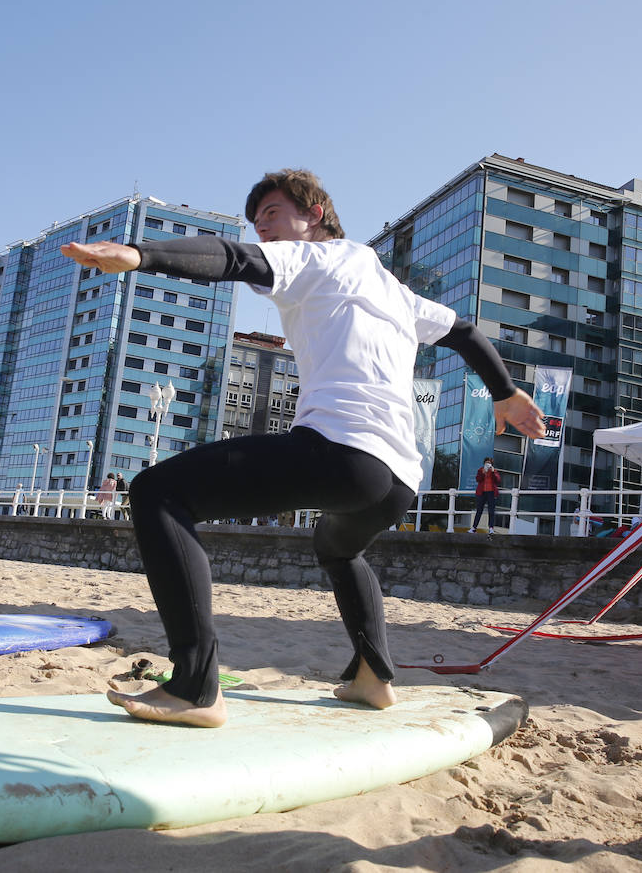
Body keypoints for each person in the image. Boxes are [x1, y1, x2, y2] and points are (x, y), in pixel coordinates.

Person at [61, 168, 546, 727]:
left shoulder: (319, 257)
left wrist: (141, 254)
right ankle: (373, 677)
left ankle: (195, 686)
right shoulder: (390, 286)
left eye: (270, 214)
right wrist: (505, 393)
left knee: (156, 494)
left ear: (314, 214)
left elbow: (232, 258)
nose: (262, 229)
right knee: (338, 547)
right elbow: (464, 331)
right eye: (257, 221)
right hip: (395, 481)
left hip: (342, 452)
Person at [473, 457, 501, 534]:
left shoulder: (494, 471)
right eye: (486, 462)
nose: (487, 464)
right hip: (482, 493)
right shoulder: (480, 470)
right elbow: (478, 479)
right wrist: (483, 472)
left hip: (491, 493)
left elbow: (498, 480)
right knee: (479, 511)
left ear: (491, 464)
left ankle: (491, 528)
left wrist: (493, 472)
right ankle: (474, 528)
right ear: (484, 463)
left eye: (489, 463)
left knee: (491, 511)